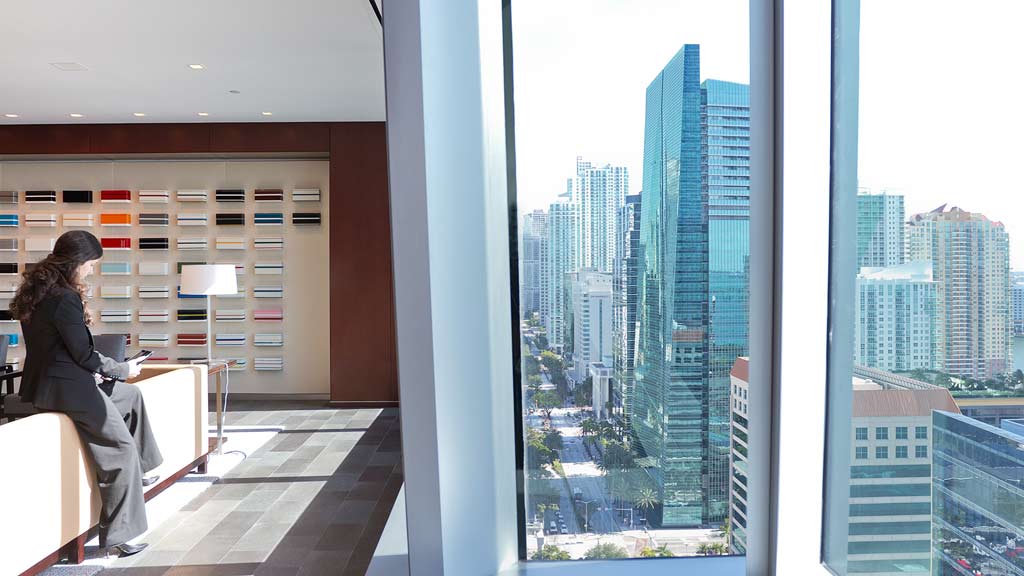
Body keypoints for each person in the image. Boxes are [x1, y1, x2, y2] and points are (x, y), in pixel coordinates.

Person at [10, 230, 163, 557]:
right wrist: (121, 369)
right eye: (91, 264)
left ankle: (141, 472)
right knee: (120, 449)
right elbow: (83, 354)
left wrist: (109, 373)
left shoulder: (37, 291)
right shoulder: (64, 298)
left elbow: (63, 350)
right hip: (68, 388)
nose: (92, 270)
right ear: (77, 262)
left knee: (131, 397)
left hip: (49, 383)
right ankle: (120, 537)